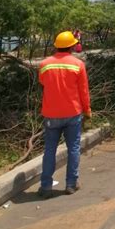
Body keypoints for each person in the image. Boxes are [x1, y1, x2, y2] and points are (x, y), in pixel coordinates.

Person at [37, 30, 92, 198]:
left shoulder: (44, 64)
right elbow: (83, 91)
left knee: (49, 150)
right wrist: (87, 110)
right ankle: (71, 184)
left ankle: (46, 187)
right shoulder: (78, 65)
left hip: (51, 115)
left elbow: (42, 83)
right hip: (73, 114)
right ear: (72, 46)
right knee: (73, 148)